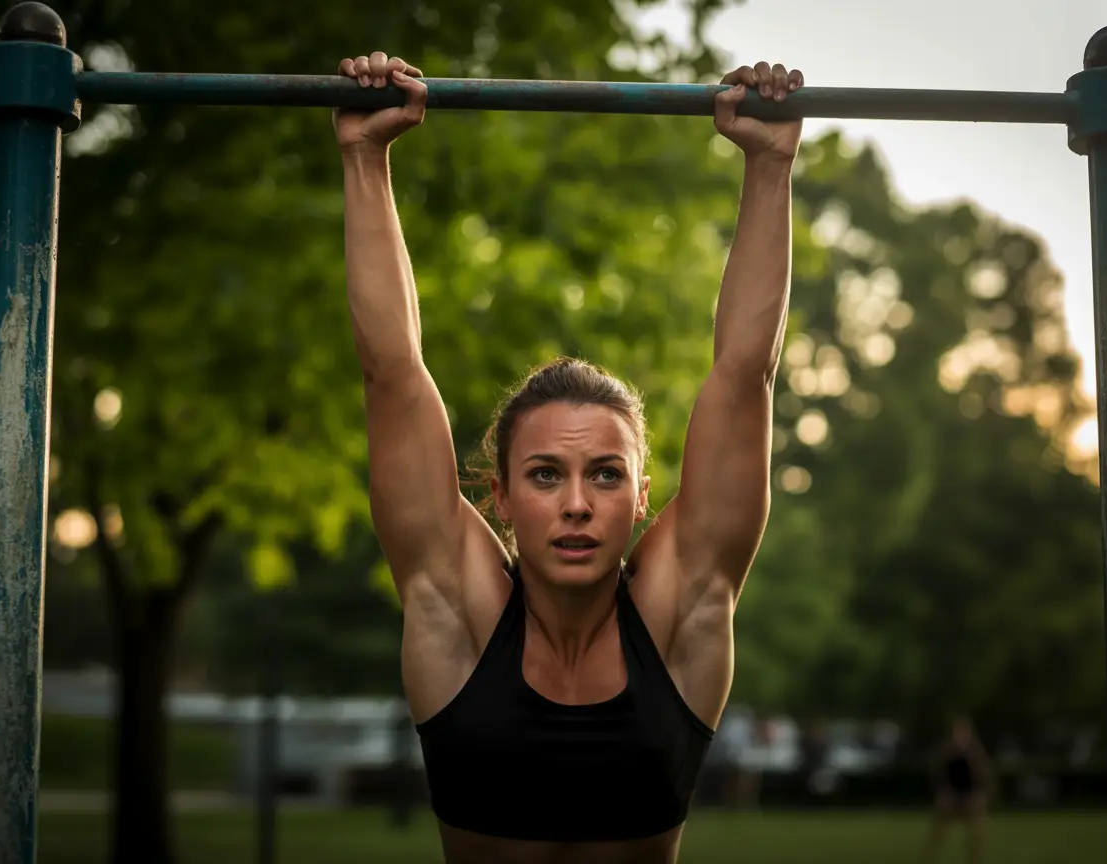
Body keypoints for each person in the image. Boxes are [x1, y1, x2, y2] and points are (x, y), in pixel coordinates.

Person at [335, 49, 804, 864]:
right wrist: (364, 158)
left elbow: (745, 375)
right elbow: (392, 373)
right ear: (501, 498)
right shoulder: (457, 611)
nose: (578, 503)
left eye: (606, 474)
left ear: (644, 497)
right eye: (546, 475)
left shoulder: (681, 612)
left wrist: (770, 168)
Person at [922, 717, 993, 864]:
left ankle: (975, 859)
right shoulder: (946, 750)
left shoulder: (974, 750)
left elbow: (982, 774)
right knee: (939, 826)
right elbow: (939, 773)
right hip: (952, 793)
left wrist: (982, 794)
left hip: (970, 793)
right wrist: (942, 792)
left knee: (977, 829)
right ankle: (930, 857)